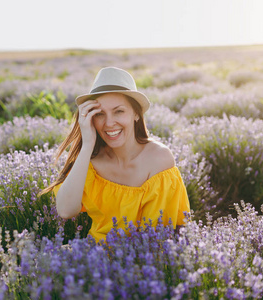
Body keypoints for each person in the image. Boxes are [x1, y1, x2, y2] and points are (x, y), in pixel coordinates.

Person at [41, 67, 190, 242]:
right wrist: (87, 144)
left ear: (136, 114)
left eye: (119, 111)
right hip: (93, 259)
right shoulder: (92, 162)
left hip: (143, 262)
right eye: (100, 114)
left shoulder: (159, 159)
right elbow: (66, 210)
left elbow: (156, 239)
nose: (109, 123)